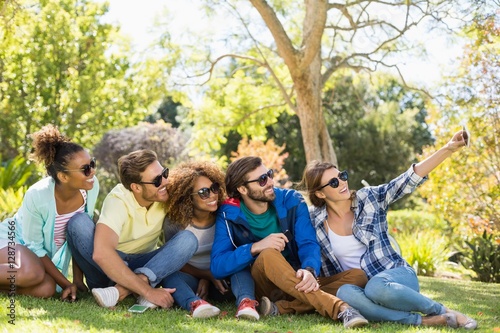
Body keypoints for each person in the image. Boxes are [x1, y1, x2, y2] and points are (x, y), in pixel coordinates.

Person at [300, 129, 477, 329]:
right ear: (320, 194)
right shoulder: (314, 220)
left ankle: (442, 311)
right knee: (344, 293)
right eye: (333, 182)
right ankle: (423, 321)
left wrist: (448, 148)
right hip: (361, 288)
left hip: (396, 276)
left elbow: (407, 180)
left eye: (342, 176)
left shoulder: (369, 198)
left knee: (376, 287)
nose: (342, 182)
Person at [210, 156, 370, 329]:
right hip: (264, 285)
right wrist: (255, 247)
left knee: (357, 276)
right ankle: (340, 308)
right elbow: (218, 266)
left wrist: (309, 269)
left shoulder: (291, 200)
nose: (271, 182)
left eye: (269, 174)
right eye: (262, 180)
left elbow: (308, 243)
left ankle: (282, 308)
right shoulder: (229, 214)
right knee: (269, 254)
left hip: (296, 278)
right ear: (242, 188)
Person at [67, 150, 211, 316]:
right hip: (107, 269)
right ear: (136, 187)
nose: (165, 181)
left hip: (146, 266)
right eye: (157, 180)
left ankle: (120, 291)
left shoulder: (166, 192)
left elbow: (203, 195)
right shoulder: (118, 200)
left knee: (187, 240)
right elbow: (102, 254)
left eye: (164, 173)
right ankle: (139, 287)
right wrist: (149, 292)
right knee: (78, 223)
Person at [0, 124, 99, 301]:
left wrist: (77, 279)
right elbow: (34, 246)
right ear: (63, 176)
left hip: (35, 258)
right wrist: (66, 284)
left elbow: (79, 235)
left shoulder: (90, 186)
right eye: (85, 169)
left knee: (46, 289)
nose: (92, 172)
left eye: (92, 164)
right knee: (32, 272)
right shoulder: (38, 195)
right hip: (14, 240)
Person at [163, 161, 259, 320]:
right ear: (187, 198)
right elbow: (175, 261)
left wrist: (215, 274)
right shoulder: (174, 223)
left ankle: (246, 302)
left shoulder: (226, 215)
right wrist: (206, 276)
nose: (213, 195)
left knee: (240, 266)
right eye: (203, 192)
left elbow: (238, 250)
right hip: (194, 282)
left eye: (214, 188)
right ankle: (195, 305)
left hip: (227, 281)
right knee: (170, 276)